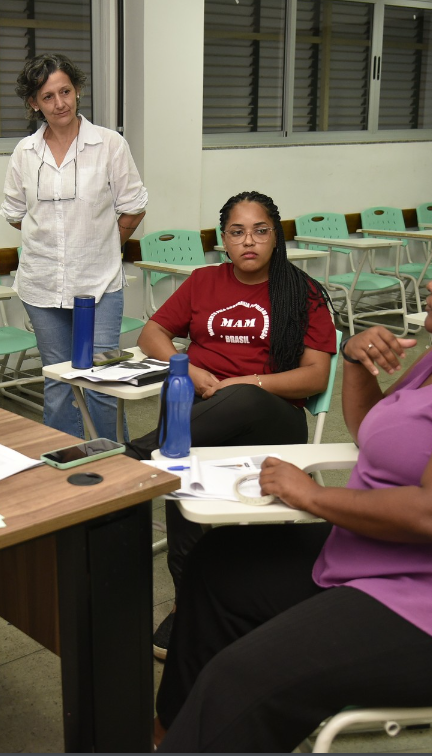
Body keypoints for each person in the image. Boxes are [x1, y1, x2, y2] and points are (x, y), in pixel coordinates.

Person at [154, 202, 432, 752]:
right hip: (396, 560)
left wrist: (314, 496)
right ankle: (172, 735)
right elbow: (377, 432)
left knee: (246, 677)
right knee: (219, 565)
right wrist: (353, 361)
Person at [123, 191, 337, 660]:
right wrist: (188, 368)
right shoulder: (203, 282)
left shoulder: (301, 292)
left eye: (260, 231)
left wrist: (250, 381)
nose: (249, 242)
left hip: (273, 419)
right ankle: (188, 600)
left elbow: (316, 375)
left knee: (236, 399)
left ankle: (134, 456)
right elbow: (150, 334)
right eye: (237, 232)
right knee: (184, 469)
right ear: (224, 240)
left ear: (276, 236)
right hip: (202, 419)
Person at [0, 53, 148, 441]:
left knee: (102, 379)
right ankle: (63, 465)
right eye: (47, 97)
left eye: (65, 91)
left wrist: (100, 245)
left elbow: (133, 208)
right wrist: (53, 239)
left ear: (78, 90)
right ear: (34, 103)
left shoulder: (109, 145)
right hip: (42, 283)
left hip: (99, 283)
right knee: (59, 380)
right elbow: (17, 213)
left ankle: (119, 470)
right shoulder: (24, 153)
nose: (59, 103)